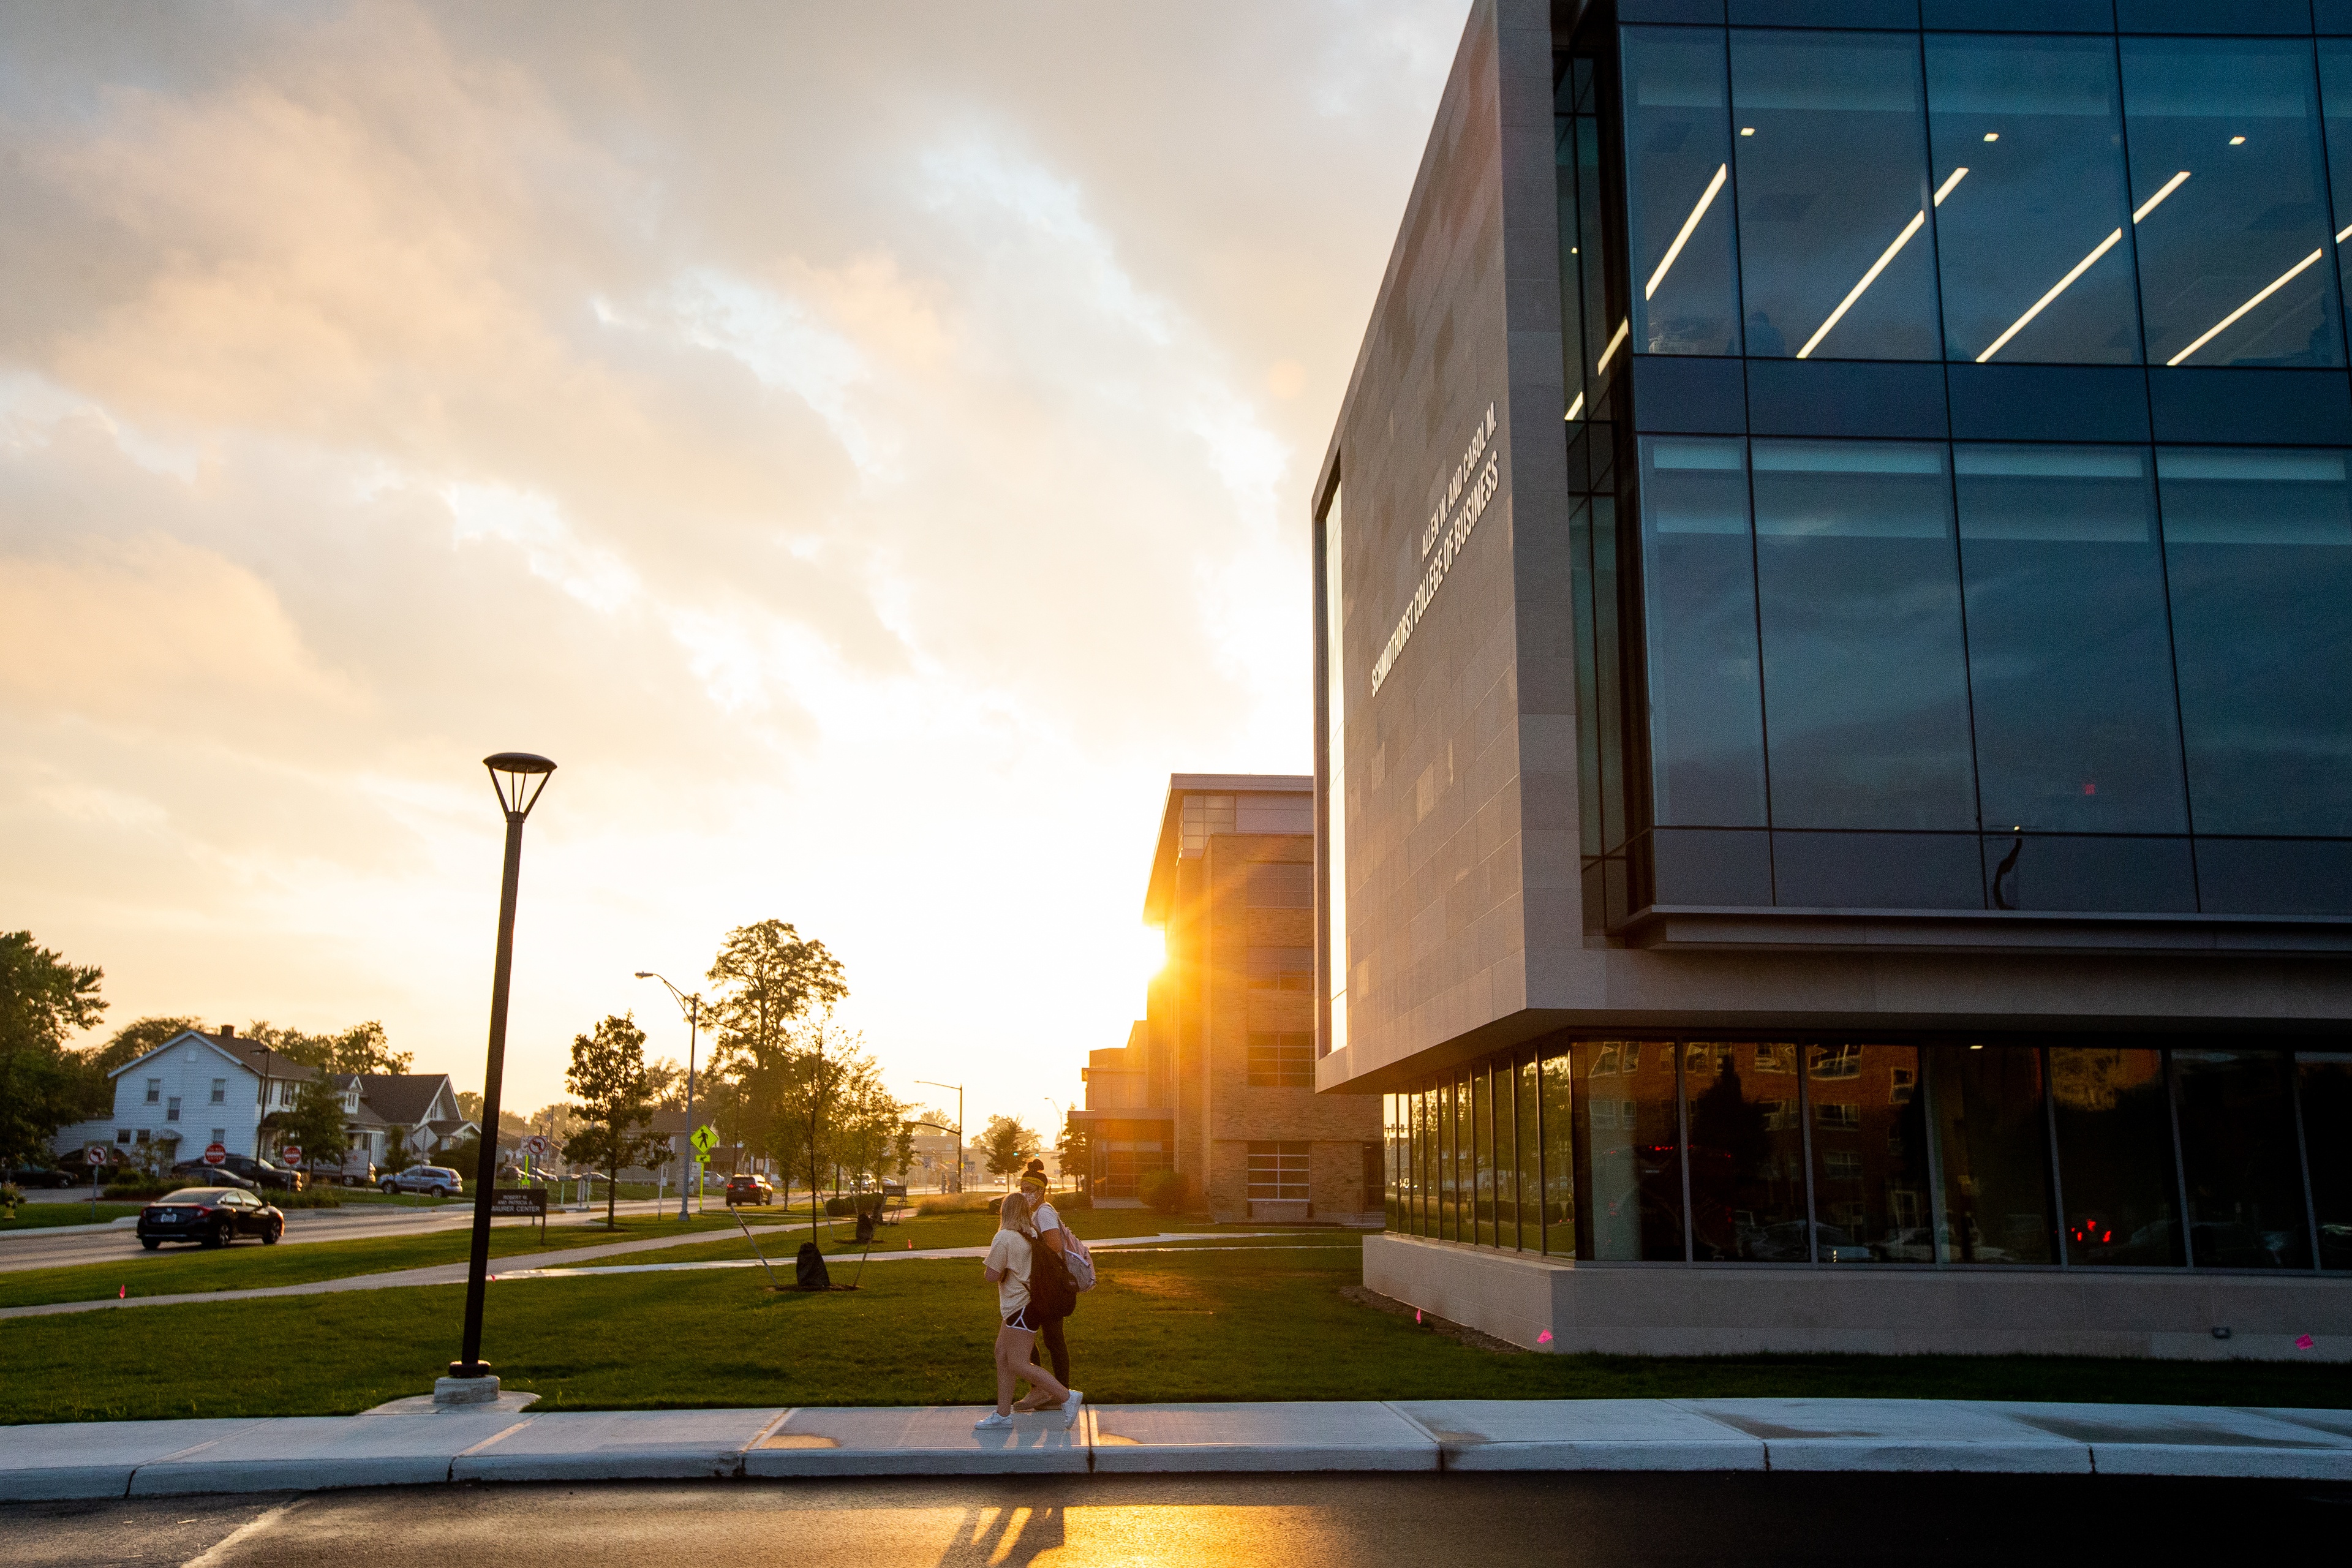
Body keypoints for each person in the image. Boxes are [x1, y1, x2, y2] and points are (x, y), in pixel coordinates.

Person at [978, 1189, 1082, 1430]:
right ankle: (1002, 1416)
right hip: (1026, 1305)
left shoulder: (1004, 1237)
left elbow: (991, 1276)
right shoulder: (1031, 1234)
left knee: (1018, 1363)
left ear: (1005, 1212)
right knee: (1002, 1355)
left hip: (1020, 1307)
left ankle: (1067, 1396)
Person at [1014, 1167, 1073, 1398]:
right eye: (1021, 1190)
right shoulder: (1034, 1212)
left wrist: (1029, 1243)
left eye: (1028, 1190)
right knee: (1026, 1336)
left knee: (1053, 1340)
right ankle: (1043, 1389)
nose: (1024, 1194)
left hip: (1049, 1285)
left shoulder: (1045, 1212)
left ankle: (1060, 1392)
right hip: (1038, 1283)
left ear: (1040, 1191)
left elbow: (1055, 1245)